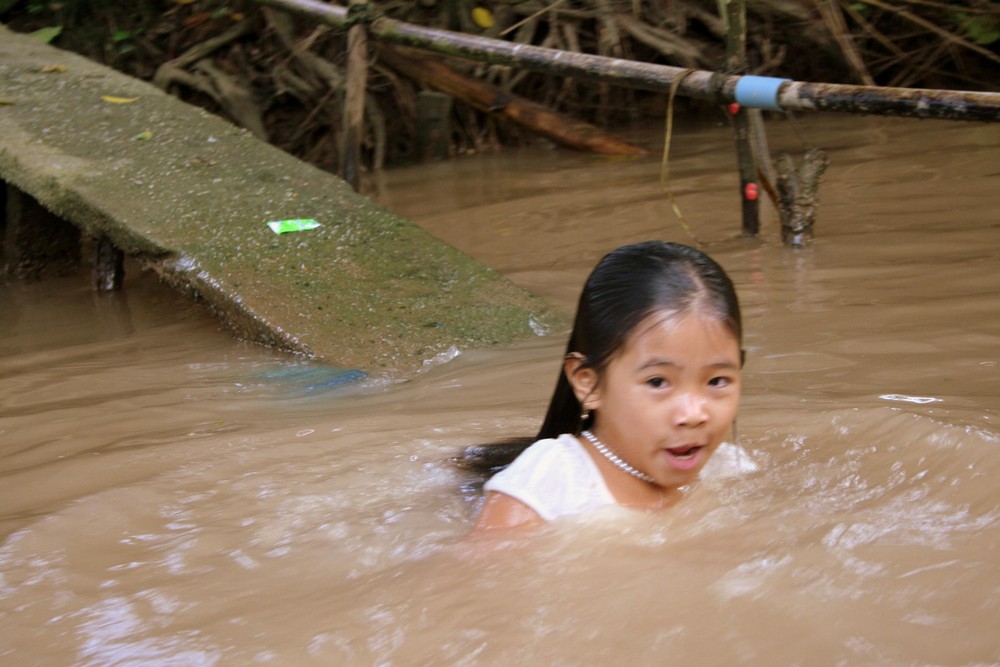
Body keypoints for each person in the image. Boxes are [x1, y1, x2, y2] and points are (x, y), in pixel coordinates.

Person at [464, 240, 744, 532]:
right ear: (590, 384)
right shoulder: (542, 492)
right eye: (658, 382)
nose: (694, 414)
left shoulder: (725, 469)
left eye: (716, 381)